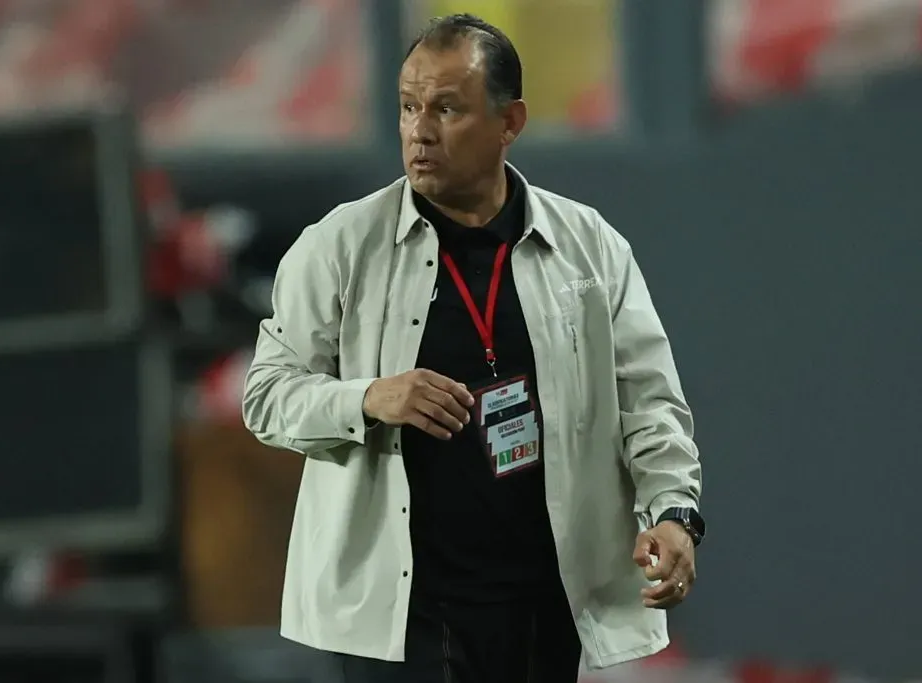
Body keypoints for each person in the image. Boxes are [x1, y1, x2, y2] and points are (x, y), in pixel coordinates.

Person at [242, 13, 704, 683]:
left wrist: (673, 515)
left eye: (447, 109)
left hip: (541, 605)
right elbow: (266, 396)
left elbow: (650, 402)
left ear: (509, 122)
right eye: (407, 107)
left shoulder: (589, 247)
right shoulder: (339, 246)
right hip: (403, 617)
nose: (419, 131)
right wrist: (367, 397)